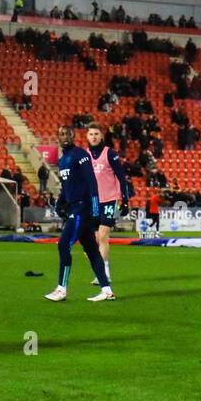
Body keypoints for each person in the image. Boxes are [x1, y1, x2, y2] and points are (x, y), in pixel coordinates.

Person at [44, 130, 112, 303]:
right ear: (58, 138)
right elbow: (67, 186)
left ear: (73, 136)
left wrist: (96, 211)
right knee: (91, 249)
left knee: (63, 244)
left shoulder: (80, 155)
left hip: (83, 208)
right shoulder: (62, 160)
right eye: (61, 134)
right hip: (75, 207)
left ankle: (61, 289)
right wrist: (60, 203)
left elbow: (92, 182)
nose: (65, 137)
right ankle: (106, 290)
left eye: (68, 134)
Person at [84, 123, 133, 289]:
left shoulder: (110, 154)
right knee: (96, 239)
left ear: (101, 136)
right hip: (92, 203)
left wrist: (125, 199)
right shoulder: (84, 155)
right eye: (91, 134)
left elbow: (121, 176)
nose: (94, 137)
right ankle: (101, 270)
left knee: (104, 236)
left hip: (109, 201)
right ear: (87, 136)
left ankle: (104, 274)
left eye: (96, 133)